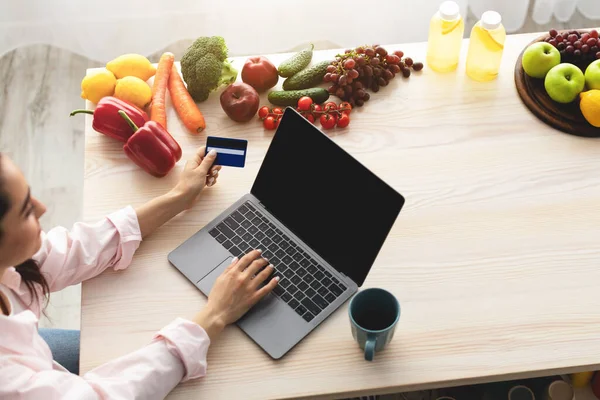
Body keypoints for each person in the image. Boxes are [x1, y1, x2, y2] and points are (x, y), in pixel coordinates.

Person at [0, 148, 279, 399]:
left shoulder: (12, 263)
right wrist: (214, 316)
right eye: (25, 210)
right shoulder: (8, 379)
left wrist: (180, 197)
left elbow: (72, 250)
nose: (42, 208)